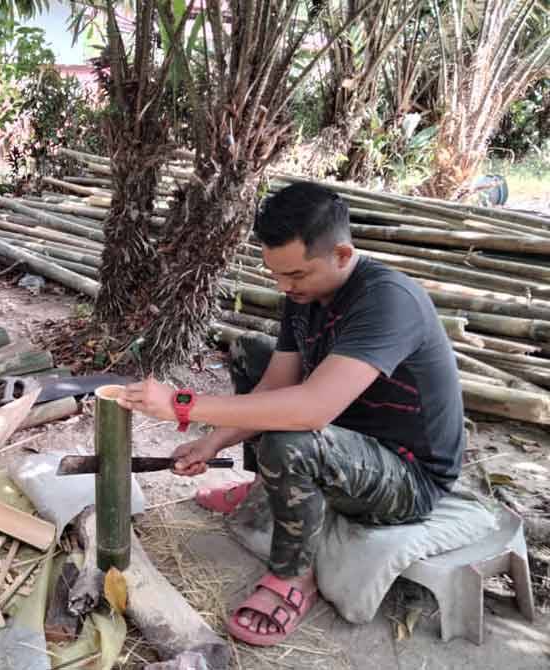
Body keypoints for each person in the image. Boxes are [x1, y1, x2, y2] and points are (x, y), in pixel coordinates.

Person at [117, 182, 465, 647]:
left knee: (291, 440)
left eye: (296, 275)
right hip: (349, 438)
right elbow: (278, 383)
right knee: (250, 355)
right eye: (277, 275)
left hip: (409, 476)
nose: (284, 287)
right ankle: (267, 489)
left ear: (342, 253)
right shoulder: (303, 296)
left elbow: (312, 409)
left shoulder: (387, 301)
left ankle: (292, 576)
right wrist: (212, 441)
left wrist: (182, 405)